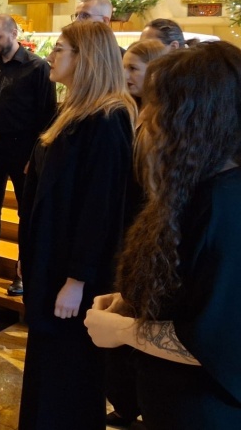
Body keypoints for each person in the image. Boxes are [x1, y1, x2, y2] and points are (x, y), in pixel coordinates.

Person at [85, 41, 241, 429]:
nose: (145, 117)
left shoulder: (226, 205)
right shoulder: (199, 188)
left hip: (204, 412)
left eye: (157, 104)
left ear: (194, 117)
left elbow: (219, 342)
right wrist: (131, 299)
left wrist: (124, 330)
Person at [17, 21, 136, 430]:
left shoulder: (108, 119)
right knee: (47, 363)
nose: (51, 56)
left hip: (74, 270)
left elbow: (100, 208)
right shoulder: (72, 109)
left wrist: (78, 279)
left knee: (70, 370)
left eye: (61, 49)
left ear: (86, 59)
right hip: (51, 258)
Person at [100, 38, 166, 428]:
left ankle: (136, 402)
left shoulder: (160, 122)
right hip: (123, 228)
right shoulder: (127, 112)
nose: (125, 77)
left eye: (134, 70)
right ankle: (125, 402)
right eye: (123, 67)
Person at [0, 14, 57, 295]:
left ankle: (23, 272)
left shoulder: (38, 69)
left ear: (14, 33)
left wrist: (35, 156)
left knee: (27, 214)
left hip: (24, 151)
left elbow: (48, 116)